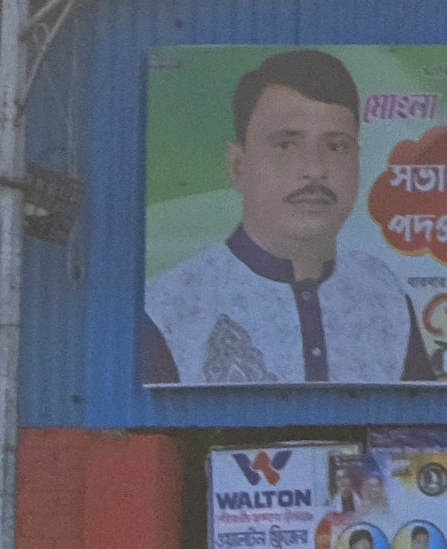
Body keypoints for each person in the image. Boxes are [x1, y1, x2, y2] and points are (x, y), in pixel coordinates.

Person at [141, 45, 424, 385]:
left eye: (336, 146)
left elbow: (420, 436)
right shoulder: (167, 305)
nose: (315, 170)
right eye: (285, 145)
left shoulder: (384, 296)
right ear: (238, 165)